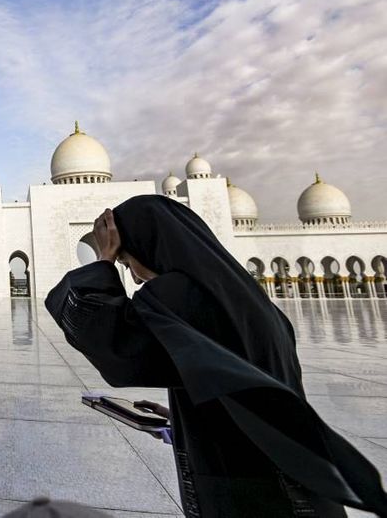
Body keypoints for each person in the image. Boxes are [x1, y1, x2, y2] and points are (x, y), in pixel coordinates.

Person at [45, 195, 387, 517]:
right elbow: (234, 375)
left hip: (254, 492)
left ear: (146, 245)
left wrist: (103, 260)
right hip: (294, 478)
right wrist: (187, 415)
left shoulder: (178, 294)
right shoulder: (245, 296)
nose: (133, 275)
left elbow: (114, 347)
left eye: (126, 259)